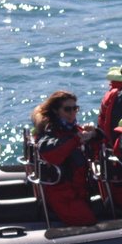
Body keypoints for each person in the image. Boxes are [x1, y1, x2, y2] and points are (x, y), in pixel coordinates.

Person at [32, 90, 104, 226]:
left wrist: (94, 135)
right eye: (67, 109)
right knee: (87, 221)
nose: (72, 113)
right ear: (56, 111)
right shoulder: (50, 132)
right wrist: (78, 139)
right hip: (63, 195)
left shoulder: (73, 129)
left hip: (80, 191)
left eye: (75, 109)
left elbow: (93, 153)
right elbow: (51, 153)